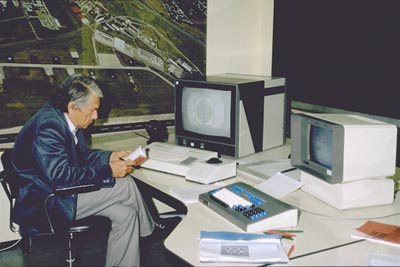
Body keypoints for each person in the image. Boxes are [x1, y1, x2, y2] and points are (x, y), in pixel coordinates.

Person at [11, 74, 155, 267]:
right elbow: (61, 177)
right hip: (46, 202)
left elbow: (81, 157)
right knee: (126, 185)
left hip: (56, 191)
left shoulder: (66, 117)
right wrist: (108, 171)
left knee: (126, 214)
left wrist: (110, 156)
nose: (95, 116)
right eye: (92, 110)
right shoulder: (49, 126)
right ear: (72, 106)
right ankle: (153, 233)